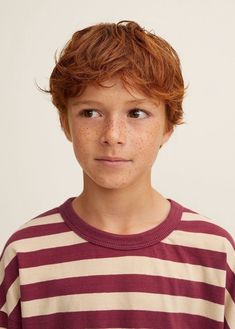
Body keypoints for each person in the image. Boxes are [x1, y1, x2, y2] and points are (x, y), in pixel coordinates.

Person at [0, 20, 234, 329]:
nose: (113, 135)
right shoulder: (25, 254)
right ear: (65, 123)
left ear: (168, 126)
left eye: (136, 113)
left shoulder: (215, 254)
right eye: (90, 113)